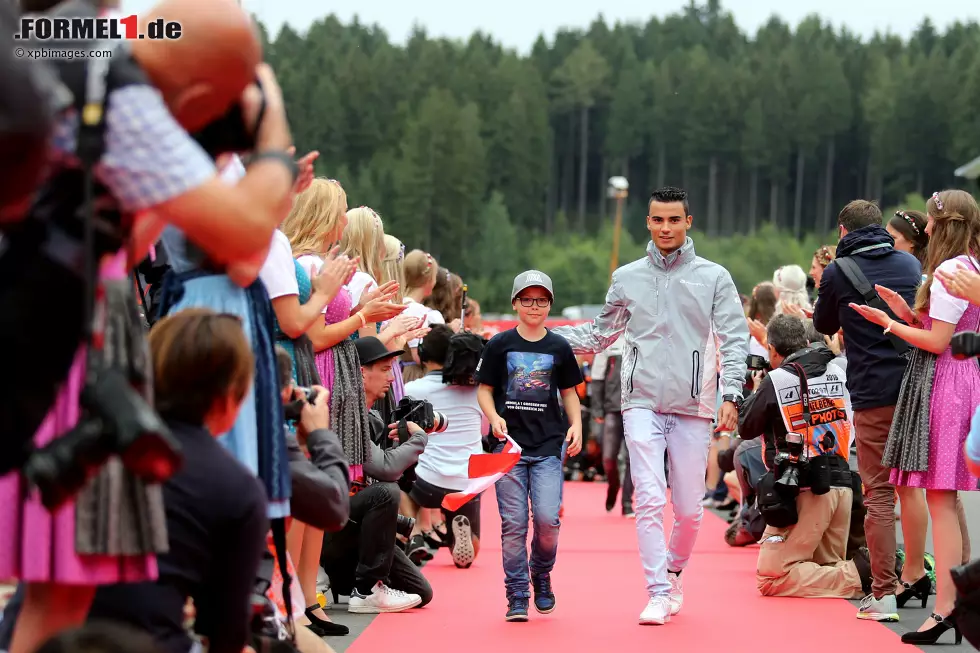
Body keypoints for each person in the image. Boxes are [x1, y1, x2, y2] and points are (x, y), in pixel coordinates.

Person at [552, 186, 749, 625]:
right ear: (647, 222)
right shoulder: (628, 277)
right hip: (639, 400)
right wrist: (548, 338)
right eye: (658, 220)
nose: (665, 228)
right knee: (646, 498)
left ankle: (674, 572)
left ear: (688, 222)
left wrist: (731, 395)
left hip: (694, 405)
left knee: (689, 510)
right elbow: (601, 335)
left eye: (674, 220)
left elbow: (734, 340)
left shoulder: (714, 277)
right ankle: (657, 591)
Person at [812, 199, 927, 622]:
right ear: (880, 227)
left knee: (878, 492)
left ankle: (883, 594)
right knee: (920, 487)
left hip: (871, 391)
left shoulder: (838, 272)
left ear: (843, 232)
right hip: (914, 388)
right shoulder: (910, 266)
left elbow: (823, 326)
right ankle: (922, 574)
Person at [737, 314, 872, 599]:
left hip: (804, 490)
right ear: (807, 341)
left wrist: (758, 387)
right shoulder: (840, 367)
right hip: (843, 486)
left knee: (772, 577)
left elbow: (746, 427)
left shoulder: (778, 378)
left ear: (772, 350)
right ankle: (868, 573)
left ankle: (866, 573)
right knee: (825, 569)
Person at [476, 270, 583, 622]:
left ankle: (541, 572)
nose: (534, 306)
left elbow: (569, 392)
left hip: (549, 445)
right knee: (514, 524)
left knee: (548, 519)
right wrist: (493, 417)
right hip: (508, 450)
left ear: (550, 304)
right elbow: (484, 389)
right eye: (527, 299)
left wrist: (577, 425)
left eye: (541, 300)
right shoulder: (499, 344)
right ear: (515, 303)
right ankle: (517, 592)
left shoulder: (559, 347)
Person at [319, 336, 432, 614]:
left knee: (421, 592)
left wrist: (402, 444)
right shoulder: (342, 416)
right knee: (385, 493)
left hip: (356, 528)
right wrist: (417, 442)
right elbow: (385, 469)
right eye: (384, 369)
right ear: (360, 372)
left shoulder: (374, 418)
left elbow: (393, 474)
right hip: (332, 530)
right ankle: (366, 590)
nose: (391, 377)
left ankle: (345, 582)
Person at [404, 325, 489, 568]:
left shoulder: (413, 390)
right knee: (470, 549)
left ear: (422, 353)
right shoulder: (477, 393)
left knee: (397, 474)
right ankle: (461, 539)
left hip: (426, 481)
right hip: (467, 481)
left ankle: (414, 533)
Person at [591, 335, 634, 517]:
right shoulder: (609, 338)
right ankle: (614, 485)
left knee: (634, 458)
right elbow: (597, 376)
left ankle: (627, 502)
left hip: (637, 408)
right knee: (608, 458)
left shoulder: (645, 333)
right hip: (612, 408)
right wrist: (597, 408)